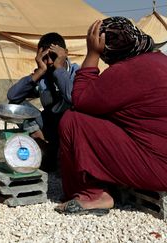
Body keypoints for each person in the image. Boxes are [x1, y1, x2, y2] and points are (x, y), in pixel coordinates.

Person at [55, 17, 167, 216]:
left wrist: (91, 54)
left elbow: (79, 101)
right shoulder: (160, 60)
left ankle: (93, 194)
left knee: (73, 120)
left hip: (160, 169)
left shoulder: (125, 71)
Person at [7, 32, 79, 171]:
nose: (50, 62)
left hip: (71, 128)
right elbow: (13, 96)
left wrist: (59, 70)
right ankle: (43, 145)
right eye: (45, 58)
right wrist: (39, 72)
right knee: (16, 106)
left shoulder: (77, 72)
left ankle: (57, 153)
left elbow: (72, 97)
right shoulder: (43, 76)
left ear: (65, 53)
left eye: (54, 56)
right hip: (49, 125)